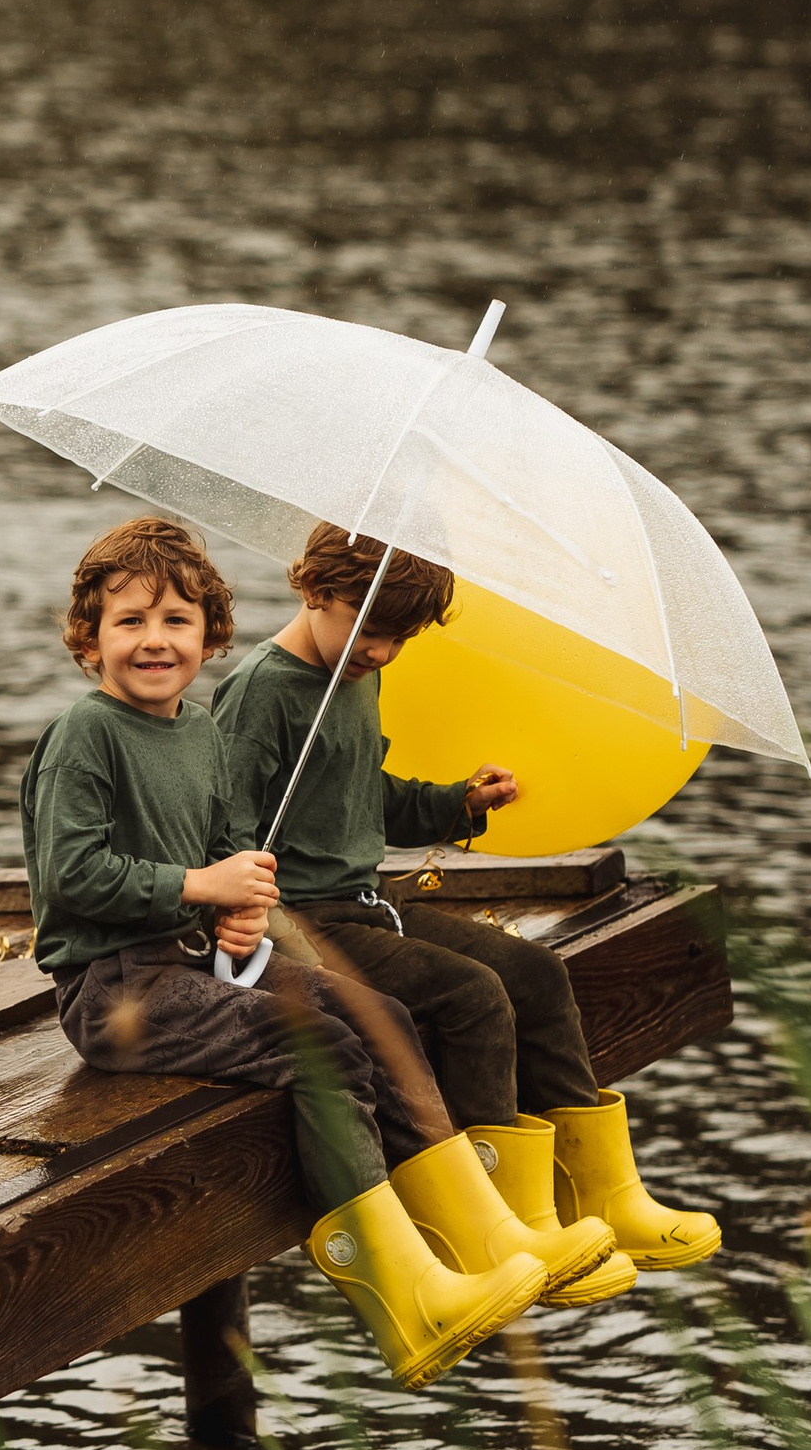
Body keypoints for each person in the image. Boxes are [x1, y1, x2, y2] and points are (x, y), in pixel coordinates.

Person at [20, 512, 541, 1394]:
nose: (155, 640)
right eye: (130, 621)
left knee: (376, 1015)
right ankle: (398, 1289)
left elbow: (228, 849)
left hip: (195, 963)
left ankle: (468, 1234)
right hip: (117, 991)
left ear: (210, 634)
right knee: (321, 1044)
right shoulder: (86, 737)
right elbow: (71, 879)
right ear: (88, 636)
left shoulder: (198, 733)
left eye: (177, 620)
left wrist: (242, 906)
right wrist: (199, 888)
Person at [213, 521, 719, 1293]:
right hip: (301, 924)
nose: (384, 651)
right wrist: (252, 920)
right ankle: (499, 1225)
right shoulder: (261, 693)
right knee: (472, 995)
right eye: (373, 630)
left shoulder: (355, 676)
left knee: (536, 972)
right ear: (314, 589)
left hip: (364, 904)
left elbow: (364, 798)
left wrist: (459, 804)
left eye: (401, 639)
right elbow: (221, 831)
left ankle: (599, 1197)